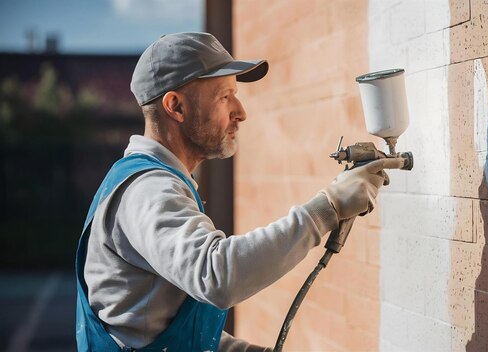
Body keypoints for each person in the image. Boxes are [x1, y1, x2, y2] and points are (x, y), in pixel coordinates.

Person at [75, 32, 403, 351]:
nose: (241, 112)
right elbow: (216, 274)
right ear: (175, 106)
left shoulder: (156, 181)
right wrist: (327, 208)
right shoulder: (148, 190)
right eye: (224, 96)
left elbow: (154, 329)